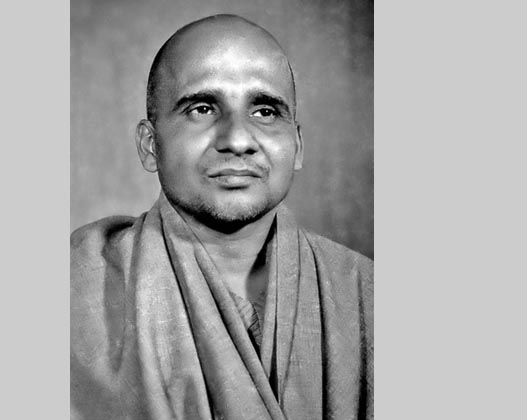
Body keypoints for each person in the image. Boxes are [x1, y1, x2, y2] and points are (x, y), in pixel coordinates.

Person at [71, 14, 373, 420]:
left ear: (297, 146)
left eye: (265, 111)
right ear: (150, 145)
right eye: (202, 108)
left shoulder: (367, 296)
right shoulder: (75, 293)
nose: (237, 139)